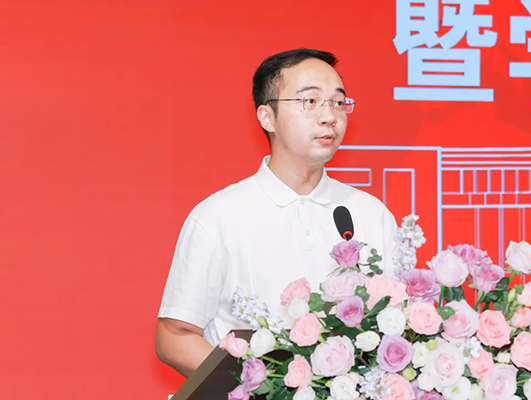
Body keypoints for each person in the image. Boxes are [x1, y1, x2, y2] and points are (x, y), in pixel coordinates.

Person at [155, 48, 398, 377]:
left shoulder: (370, 214)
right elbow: (174, 336)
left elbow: (397, 323)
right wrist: (254, 386)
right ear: (267, 117)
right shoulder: (219, 217)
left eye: (338, 102)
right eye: (310, 101)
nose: (329, 116)